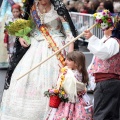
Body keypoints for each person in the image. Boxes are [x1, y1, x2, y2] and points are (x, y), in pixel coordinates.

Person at [0, 0, 74, 119]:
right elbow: (29, 30)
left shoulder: (58, 9)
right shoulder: (31, 8)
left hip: (56, 47)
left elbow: (69, 33)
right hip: (34, 47)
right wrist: (21, 37)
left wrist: (70, 55)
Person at [84, 10, 120, 120]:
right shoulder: (108, 40)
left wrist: (91, 37)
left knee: (102, 114)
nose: (102, 28)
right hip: (107, 82)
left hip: (107, 81)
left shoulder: (114, 41)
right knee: (110, 114)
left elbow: (104, 53)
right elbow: (96, 60)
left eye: (106, 26)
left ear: (112, 28)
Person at [46, 51, 93, 120]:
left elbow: (68, 82)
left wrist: (63, 72)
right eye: (66, 59)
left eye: (68, 60)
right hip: (68, 99)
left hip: (74, 100)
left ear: (76, 63)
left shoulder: (77, 73)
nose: (65, 61)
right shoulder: (70, 71)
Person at [0, 0, 23, 68]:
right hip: (9, 17)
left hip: (19, 18)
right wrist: (1, 19)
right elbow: (4, 8)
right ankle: (7, 62)